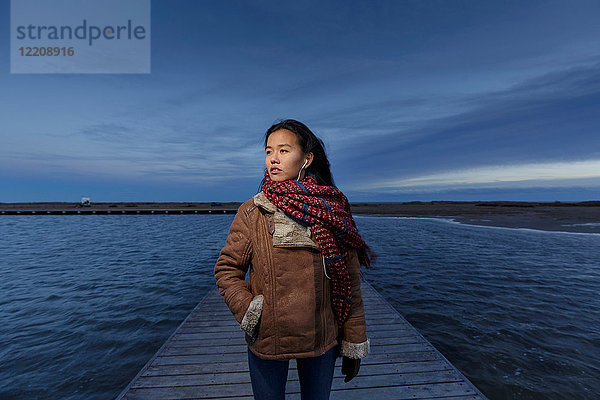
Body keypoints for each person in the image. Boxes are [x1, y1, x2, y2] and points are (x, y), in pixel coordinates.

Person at [214, 119, 376, 400]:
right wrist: (252, 311)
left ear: (307, 158)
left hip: (321, 338)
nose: (273, 159)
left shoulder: (333, 211)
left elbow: (349, 283)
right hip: (268, 338)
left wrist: (353, 341)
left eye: (284, 150)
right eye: (268, 151)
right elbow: (227, 269)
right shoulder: (253, 211)